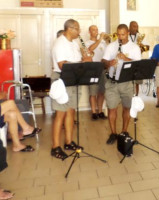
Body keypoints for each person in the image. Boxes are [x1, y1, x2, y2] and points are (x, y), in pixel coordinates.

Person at [51, 19, 92, 160]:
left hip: (74, 79)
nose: (79, 32)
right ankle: (55, 147)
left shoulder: (74, 43)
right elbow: (63, 65)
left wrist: (85, 58)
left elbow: (77, 60)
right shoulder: (59, 43)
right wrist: (83, 62)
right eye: (78, 29)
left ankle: (68, 142)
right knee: (60, 114)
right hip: (62, 79)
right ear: (70, 29)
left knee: (71, 111)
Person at [102, 24, 141, 144]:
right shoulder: (111, 46)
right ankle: (113, 133)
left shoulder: (134, 47)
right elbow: (103, 62)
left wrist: (125, 58)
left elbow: (138, 66)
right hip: (112, 82)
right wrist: (109, 63)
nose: (120, 37)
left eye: (123, 34)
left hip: (126, 82)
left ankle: (124, 131)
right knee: (112, 108)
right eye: (118, 34)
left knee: (126, 108)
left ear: (128, 33)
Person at [85, 25, 107, 120]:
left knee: (101, 92)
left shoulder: (102, 43)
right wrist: (100, 39)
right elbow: (90, 49)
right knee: (93, 92)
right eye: (93, 30)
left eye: (97, 30)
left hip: (102, 68)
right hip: (92, 69)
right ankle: (94, 112)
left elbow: (106, 54)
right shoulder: (86, 43)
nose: (96, 31)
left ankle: (100, 111)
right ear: (89, 32)